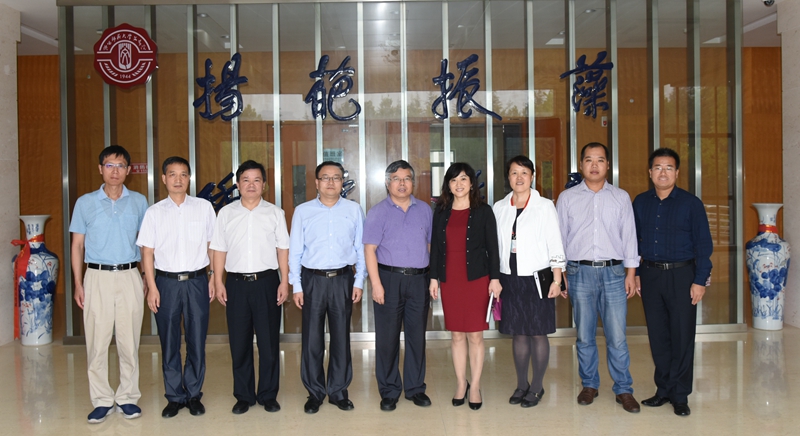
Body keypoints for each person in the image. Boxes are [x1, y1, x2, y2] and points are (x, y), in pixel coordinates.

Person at [556, 143, 640, 413]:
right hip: (578, 272)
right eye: (589, 160)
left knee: (617, 335)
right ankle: (589, 384)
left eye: (600, 160)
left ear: (607, 165)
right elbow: (560, 238)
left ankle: (623, 388)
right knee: (584, 335)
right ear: (581, 165)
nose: (594, 165)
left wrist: (631, 274)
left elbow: (629, 237)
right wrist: (561, 275)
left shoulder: (621, 197)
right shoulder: (567, 198)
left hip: (614, 273)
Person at [69, 145, 149, 424]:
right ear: (100, 169)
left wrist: (146, 277)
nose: (115, 171)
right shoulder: (84, 203)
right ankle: (102, 400)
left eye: (121, 165)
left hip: (129, 275)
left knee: (129, 341)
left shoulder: (139, 202)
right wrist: (78, 283)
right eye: (109, 165)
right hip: (97, 277)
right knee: (97, 341)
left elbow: (146, 245)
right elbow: (77, 246)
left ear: (129, 170)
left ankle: (127, 397)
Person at [632, 148, 713, 417]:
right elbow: (634, 242)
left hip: (682, 276)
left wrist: (699, 281)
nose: (663, 173)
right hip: (651, 275)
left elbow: (704, 246)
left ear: (677, 173)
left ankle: (680, 395)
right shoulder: (641, 202)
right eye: (658, 167)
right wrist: (637, 273)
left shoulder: (691, 204)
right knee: (658, 336)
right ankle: (663, 390)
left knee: (682, 336)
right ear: (650, 172)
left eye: (668, 168)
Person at [137, 156, 216, 418]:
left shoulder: (204, 208)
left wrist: (213, 277)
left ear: (189, 178)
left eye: (183, 174)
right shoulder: (154, 212)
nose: (178, 179)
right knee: (169, 341)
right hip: (166, 283)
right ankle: (174, 396)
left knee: (197, 339)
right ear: (164, 179)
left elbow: (212, 246)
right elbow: (147, 252)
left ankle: (193, 394)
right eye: (172, 174)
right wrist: (152, 287)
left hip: (197, 281)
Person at [210, 160, 290, 415]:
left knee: (269, 343)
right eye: (246, 180)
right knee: (239, 342)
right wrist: (217, 281)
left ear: (264, 185)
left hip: (267, 283)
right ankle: (243, 396)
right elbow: (219, 249)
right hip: (236, 284)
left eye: (257, 180)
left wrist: (284, 280)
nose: (251, 185)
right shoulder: (226, 213)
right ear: (238, 184)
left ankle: (268, 394)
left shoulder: (275, 213)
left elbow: (283, 249)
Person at [290, 161, 366, 414]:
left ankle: (338, 391)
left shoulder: (354, 210)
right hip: (312, 280)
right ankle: (314, 392)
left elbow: (360, 248)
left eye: (336, 177)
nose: (331, 182)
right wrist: (296, 285)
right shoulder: (303, 211)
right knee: (312, 339)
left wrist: (359, 280)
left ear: (342, 182)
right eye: (325, 177)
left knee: (341, 338)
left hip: (343, 279)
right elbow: (295, 251)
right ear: (316, 182)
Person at [492, 155, 566, 408]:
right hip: (509, 278)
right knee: (518, 333)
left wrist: (557, 279)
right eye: (514, 172)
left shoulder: (544, 206)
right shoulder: (499, 207)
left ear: (533, 176)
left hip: (537, 278)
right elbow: (495, 246)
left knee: (537, 332)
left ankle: (537, 386)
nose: (519, 177)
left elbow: (555, 243)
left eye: (524, 172)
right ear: (508, 177)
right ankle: (521, 384)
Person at [429, 162, 502, 411]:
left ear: (472, 183)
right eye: (453, 180)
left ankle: (476, 386)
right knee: (457, 334)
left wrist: (495, 279)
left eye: (463, 179)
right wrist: (433, 278)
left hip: (477, 279)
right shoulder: (441, 212)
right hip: (451, 280)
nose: (458, 184)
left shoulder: (484, 211)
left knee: (475, 335)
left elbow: (493, 248)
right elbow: (436, 248)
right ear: (448, 185)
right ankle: (461, 383)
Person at [363, 160, 433, 412]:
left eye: (406, 178)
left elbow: (430, 246)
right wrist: (376, 284)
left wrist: (432, 278)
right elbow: (369, 250)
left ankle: (415, 388)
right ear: (387, 183)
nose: (402, 183)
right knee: (387, 338)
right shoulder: (377, 212)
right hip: (389, 280)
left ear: (413, 182)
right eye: (396, 179)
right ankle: (389, 390)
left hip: (419, 280)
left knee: (417, 337)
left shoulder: (425, 210)